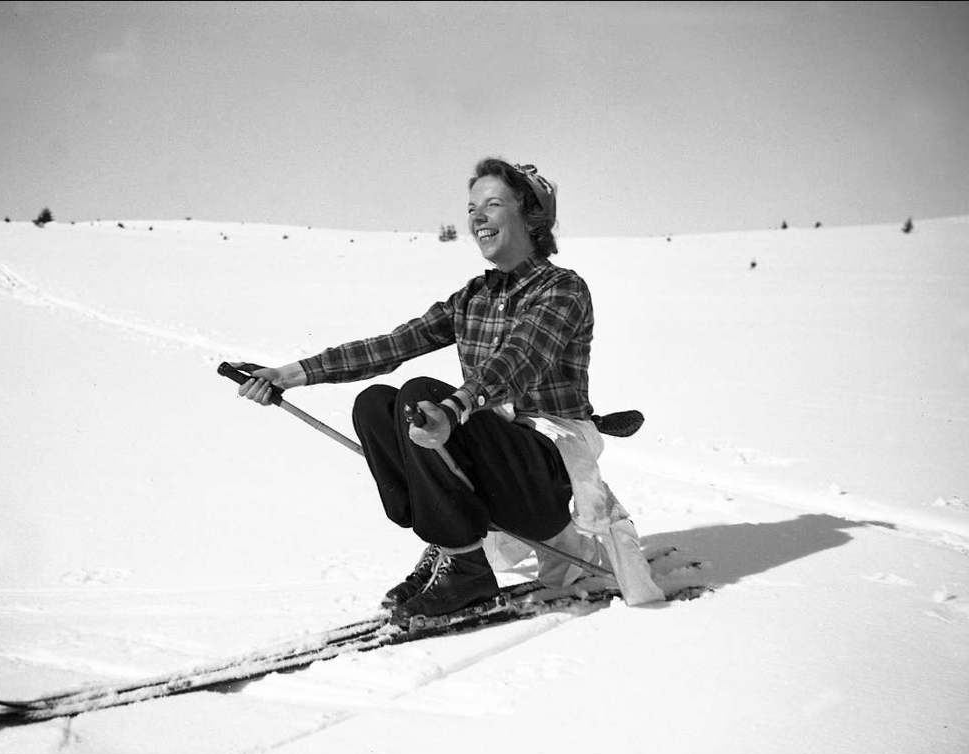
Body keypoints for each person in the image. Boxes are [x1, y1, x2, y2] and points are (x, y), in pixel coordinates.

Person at [235, 157, 663, 618]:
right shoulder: (472, 298)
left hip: (548, 477)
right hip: (499, 463)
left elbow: (518, 360)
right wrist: (289, 374)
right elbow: (392, 345)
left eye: (493, 204)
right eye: (472, 206)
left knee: (419, 394)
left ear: (531, 215)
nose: (477, 217)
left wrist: (455, 408)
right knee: (376, 403)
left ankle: (466, 570)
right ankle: (449, 545)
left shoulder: (563, 290)